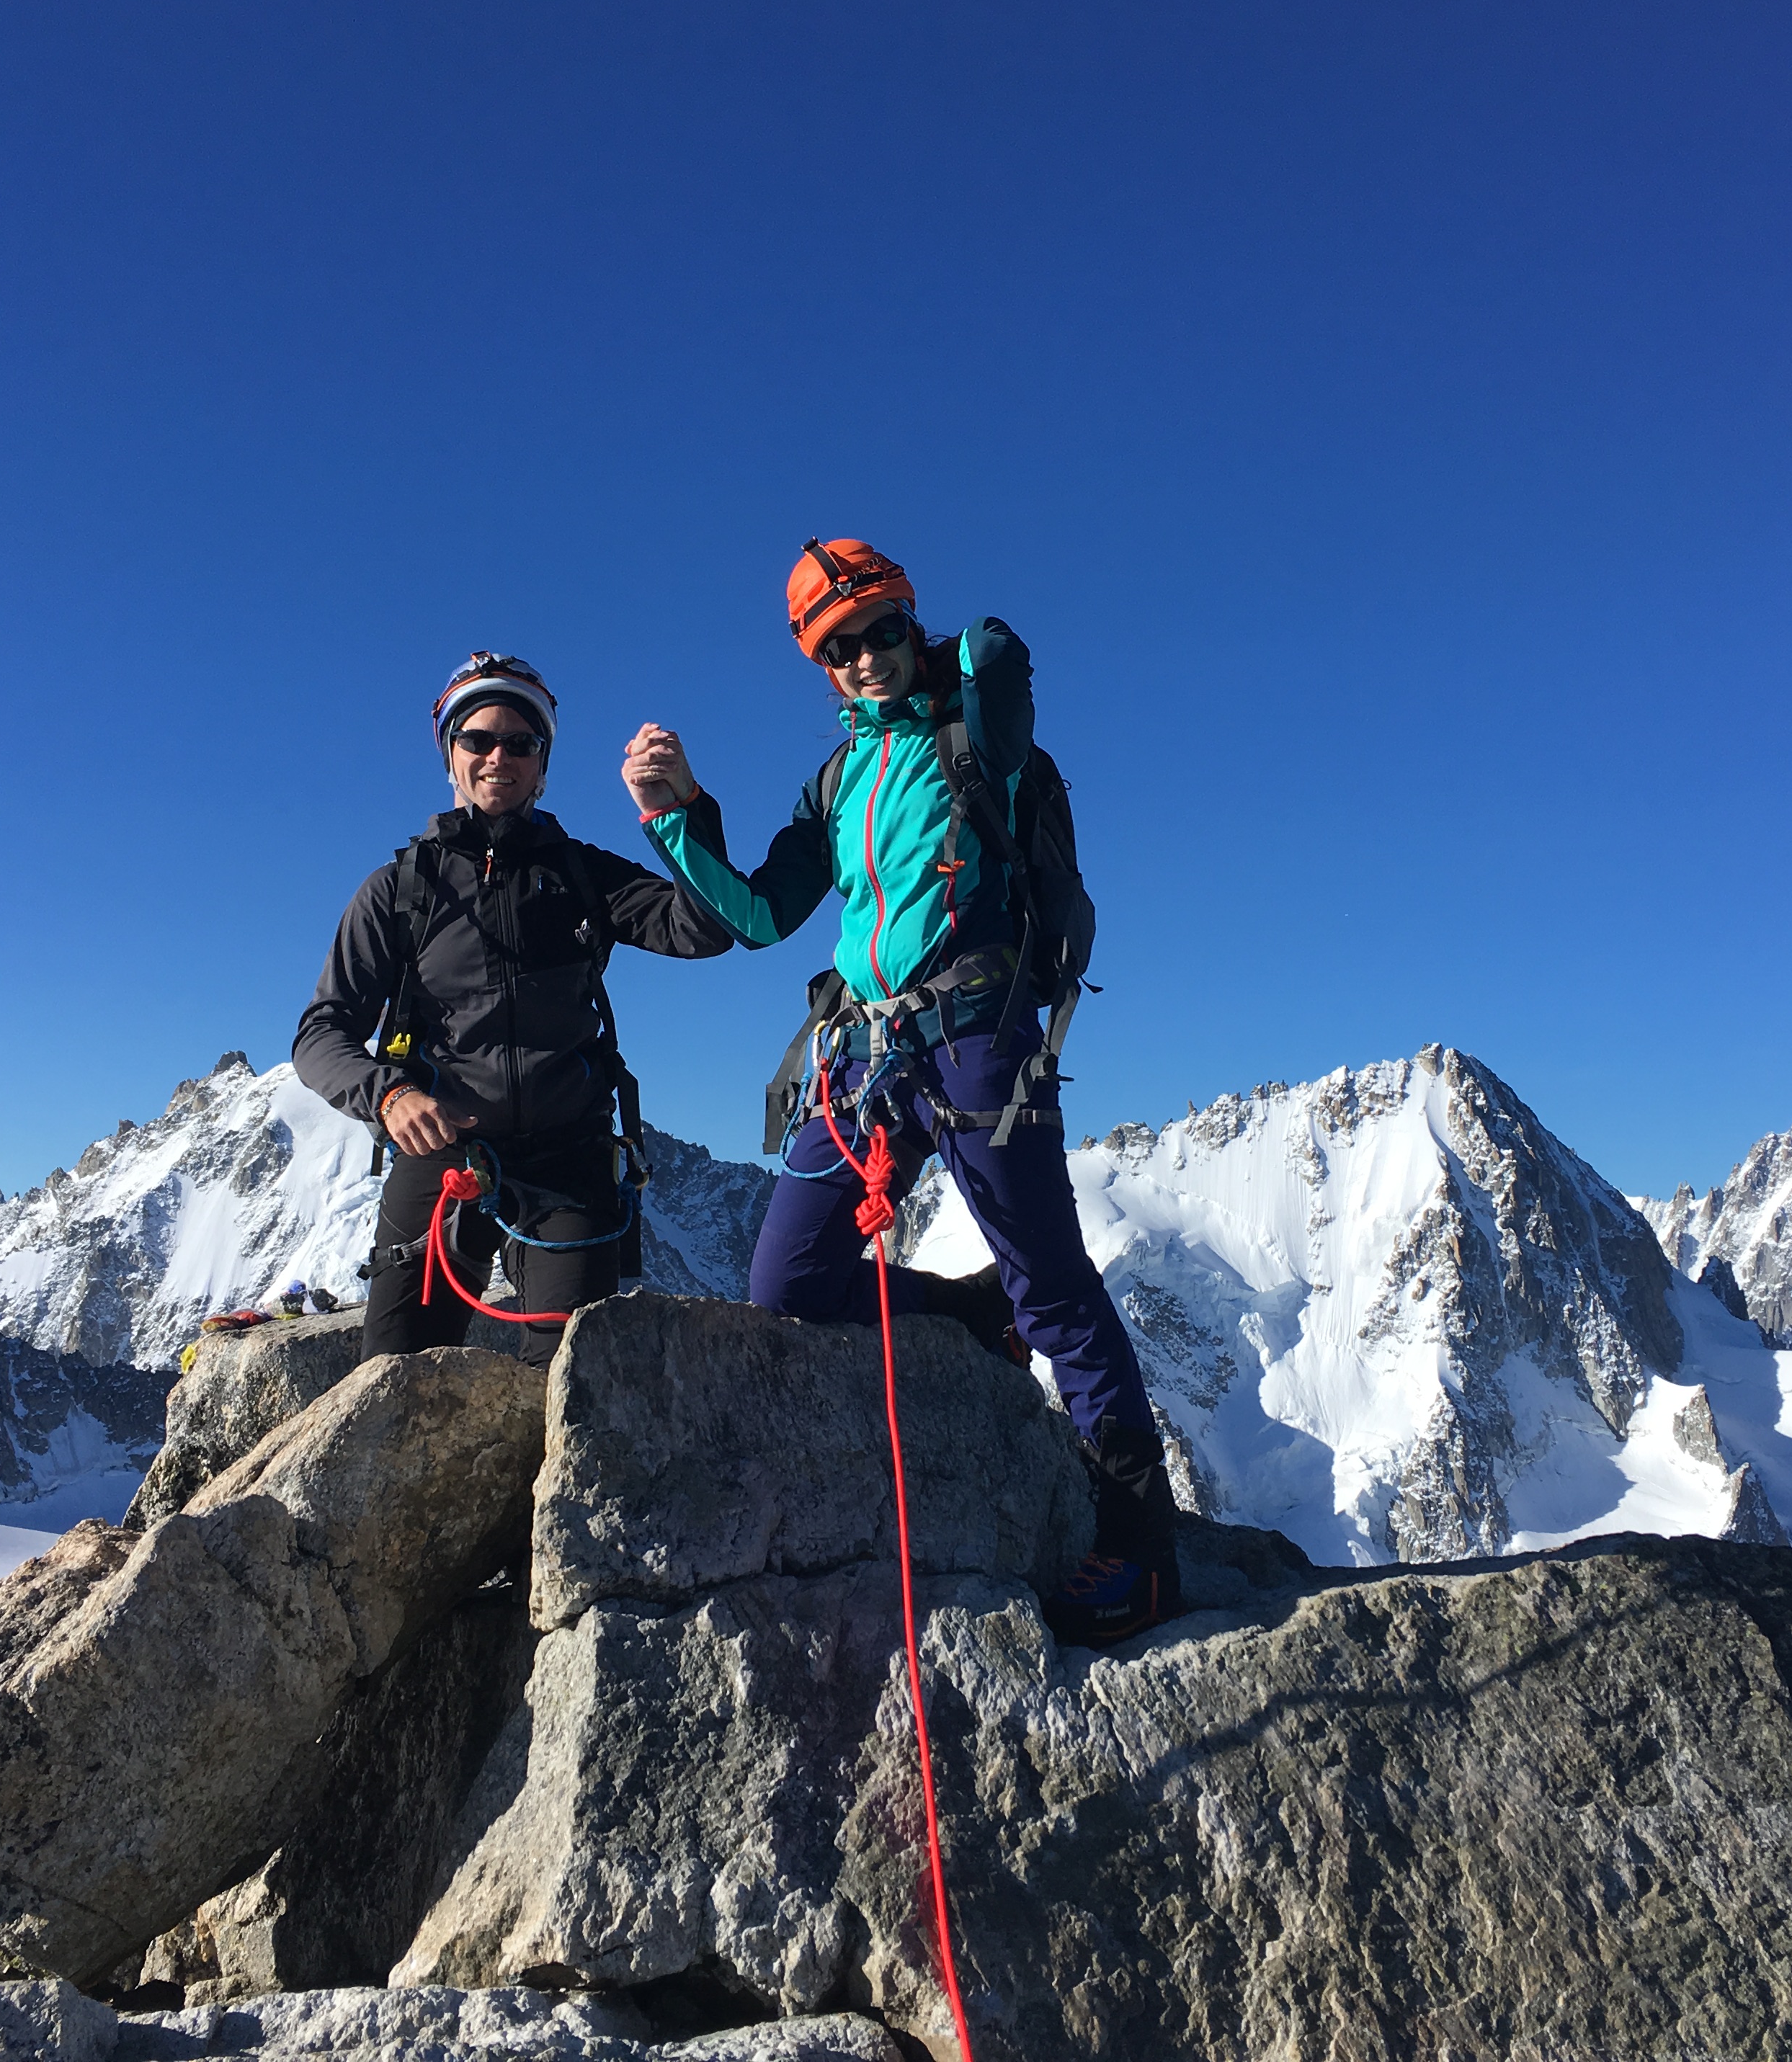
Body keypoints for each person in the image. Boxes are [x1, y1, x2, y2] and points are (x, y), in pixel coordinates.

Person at [621, 540, 1182, 1644]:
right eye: (841, 647)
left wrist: (970, 652)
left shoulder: (978, 731)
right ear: (820, 666)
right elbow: (761, 914)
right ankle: (973, 1313)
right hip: (867, 1059)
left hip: (978, 1041)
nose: (868, 659)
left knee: (1055, 1288)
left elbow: (1004, 672)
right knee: (787, 1286)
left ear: (909, 620)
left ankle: (1144, 1552)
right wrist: (678, 815)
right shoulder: (839, 781)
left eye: (882, 631)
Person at [296, 652, 730, 1364]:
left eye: (522, 744)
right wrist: (390, 1094)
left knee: (569, 1382)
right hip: (443, 1154)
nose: (500, 756)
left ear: (542, 763)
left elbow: (705, 928)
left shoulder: (584, 876)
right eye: (479, 740)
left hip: (569, 1159)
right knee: (397, 1374)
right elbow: (323, 1033)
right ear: (451, 755)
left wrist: (681, 811)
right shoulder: (400, 891)